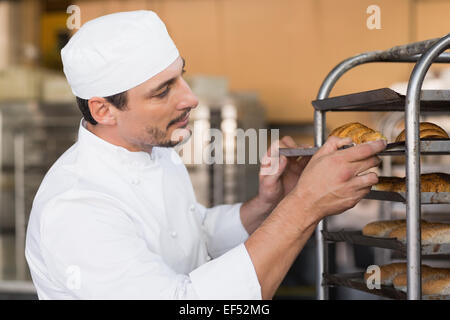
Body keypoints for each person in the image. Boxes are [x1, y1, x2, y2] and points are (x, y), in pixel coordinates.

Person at [25, 10, 386, 300]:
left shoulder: (153, 152)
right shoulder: (77, 208)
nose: (190, 98)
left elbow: (193, 232)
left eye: (181, 75)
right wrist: (305, 205)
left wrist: (270, 203)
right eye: (162, 91)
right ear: (104, 110)